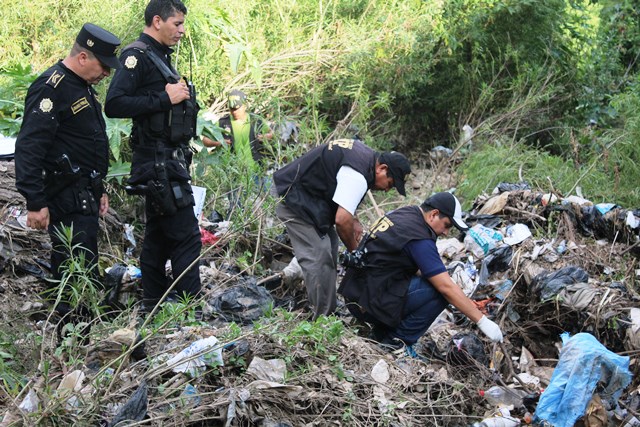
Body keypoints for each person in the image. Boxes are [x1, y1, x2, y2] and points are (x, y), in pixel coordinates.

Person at [14, 23, 122, 310]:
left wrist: (99, 190)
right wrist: (35, 201)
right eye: (103, 66)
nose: (106, 74)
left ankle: (83, 330)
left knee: (85, 266)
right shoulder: (52, 87)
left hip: (85, 195)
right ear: (83, 57)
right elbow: (29, 146)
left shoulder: (82, 86)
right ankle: (69, 332)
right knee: (72, 268)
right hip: (65, 195)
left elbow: (86, 143)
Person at [105, 0, 201, 309]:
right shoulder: (137, 56)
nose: (182, 31)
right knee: (187, 235)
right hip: (158, 164)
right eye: (177, 24)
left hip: (168, 161)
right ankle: (190, 312)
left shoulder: (160, 57)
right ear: (157, 21)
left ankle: (152, 305)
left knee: (159, 238)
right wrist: (164, 98)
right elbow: (115, 103)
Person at [338, 192, 504, 350]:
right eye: (446, 225)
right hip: (368, 304)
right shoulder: (420, 238)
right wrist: (482, 321)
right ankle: (397, 342)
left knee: (432, 283)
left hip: (354, 293)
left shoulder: (404, 213)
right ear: (433, 214)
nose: (445, 232)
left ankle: (382, 330)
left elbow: (408, 263)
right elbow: (445, 288)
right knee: (439, 293)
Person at [272, 138, 411, 319]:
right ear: (382, 168)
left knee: (331, 247)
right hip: (292, 197)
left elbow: (344, 202)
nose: (387, 190)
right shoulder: (358, 175)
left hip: (310, 199)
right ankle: (322, 319)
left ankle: (328, 307)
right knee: (318, 255)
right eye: (390, 183)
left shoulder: (364, 157)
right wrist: (355, 251)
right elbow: (341, 220)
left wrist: (354, 220)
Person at [202, 89, 273, 170]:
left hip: (256, 169)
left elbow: (272, 133)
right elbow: (205, 140)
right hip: (233, 171)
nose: (234, 112)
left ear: (245, 105)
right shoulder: (223, 123)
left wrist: (266, 136)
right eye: (231, 109)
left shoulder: (256, 120)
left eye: (237, 108)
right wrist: (219, 142)